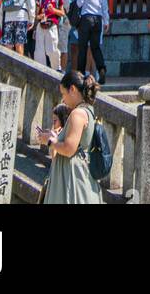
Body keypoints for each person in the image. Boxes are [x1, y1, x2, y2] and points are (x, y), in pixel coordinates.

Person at [40, 70, 103, 205]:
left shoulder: (78, 114)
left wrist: (49, 141)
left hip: (72, 177)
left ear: (72, 89)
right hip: (76, 173)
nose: (63, 99)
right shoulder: (87, 110)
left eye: (63, 93)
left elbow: (69, 149)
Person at [75, 0, 109, 86]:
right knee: (95, 47)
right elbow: (104, 4)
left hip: (86, 17)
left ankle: (81, 74)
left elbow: (79, 2)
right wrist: (106, 20)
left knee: (82, 46)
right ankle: (101, 69)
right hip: (98, 18)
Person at [34, 0, 65, 69]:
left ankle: (56, 70)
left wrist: (54, 11)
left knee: (52, 50)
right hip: (41, 26)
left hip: (51, 26)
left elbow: (62, 13)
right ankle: (40, 71)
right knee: (39, 53)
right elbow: (36, 14)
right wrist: (38, 17)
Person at [54, 0, 72, 69]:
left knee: (63, 48)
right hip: (63, 23)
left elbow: (68, 8)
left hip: (64, 23)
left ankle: (63, 70)